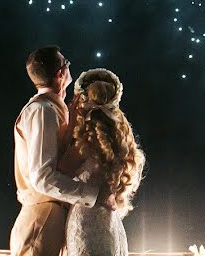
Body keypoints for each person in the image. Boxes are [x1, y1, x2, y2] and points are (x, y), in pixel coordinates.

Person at [10, 46, 115, 256]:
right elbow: (43, 178)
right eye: (66, 62)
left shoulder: (54, 109)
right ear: (60, 73)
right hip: (42, 220)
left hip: (52, 217)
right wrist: (93, 195)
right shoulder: (42, 111)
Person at [58, 68, 145, 256]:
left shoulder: (85, 143)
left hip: (85, 222)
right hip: (110, 221)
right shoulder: (119, 140)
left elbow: (58, 173)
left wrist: (70, 125)